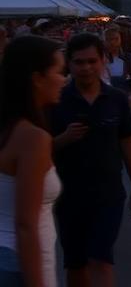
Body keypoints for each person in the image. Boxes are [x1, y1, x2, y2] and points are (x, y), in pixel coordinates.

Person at [51, 33, 131, 287]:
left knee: (101, 259)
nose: (86, 68)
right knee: (76, 264)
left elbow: (127, 141)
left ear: (103, 61)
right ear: (68, 63)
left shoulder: (116, 99)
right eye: (79, 62)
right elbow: (37, 149)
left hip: (109, 194)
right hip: (68, 195)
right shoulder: (56, 100)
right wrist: (63, 139)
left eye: (92, 61)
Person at [0, 36, 65, 286]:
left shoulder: (10, 128)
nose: (64, 79)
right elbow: (26, 224)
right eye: (59, 72)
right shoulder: (32, 138)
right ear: (37, 78)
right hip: (19, 263)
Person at [103, 26, 131, 97]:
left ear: (121, 40)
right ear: (104, 41)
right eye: (108, 39)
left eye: (116, 39)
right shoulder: (99, 60)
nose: (112, 42)